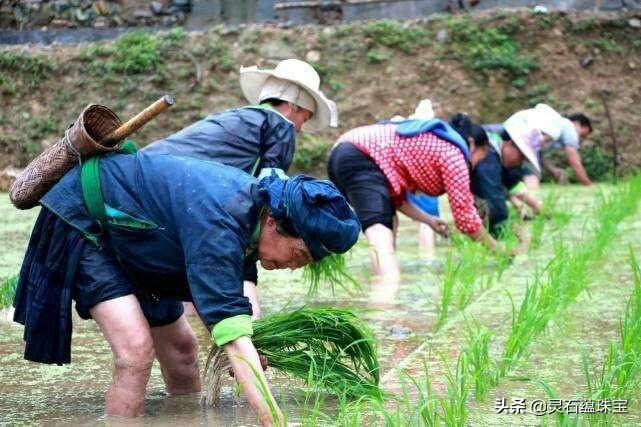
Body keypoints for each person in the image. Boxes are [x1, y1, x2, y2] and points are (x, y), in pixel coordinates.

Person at [13, 150, 360, 425]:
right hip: (88, 221)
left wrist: (247, 347)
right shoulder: (222, 223)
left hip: (145, 238)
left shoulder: (253, 221)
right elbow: (232, 335)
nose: (292, 267)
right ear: (274, 222)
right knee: (135, 351)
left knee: (182, 351)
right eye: (298, 255)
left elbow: (227, 307)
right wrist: (276, 421)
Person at [143, 58, 337, 317]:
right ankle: (249, 336)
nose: (301, 126)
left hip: (150, 180)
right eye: (306, 116)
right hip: (178, 190)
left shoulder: (240, 119)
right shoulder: (280, 126)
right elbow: (266, 199)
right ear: (292, 104)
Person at [327, 117, 497, 299]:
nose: (477, 164)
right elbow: (466, 219)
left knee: (388, 224)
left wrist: (429, 220)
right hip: (360, 156)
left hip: (344, 153)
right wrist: (497, 248)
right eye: (481, 156)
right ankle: (385, 305)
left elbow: (397, 200)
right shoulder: (455, 154)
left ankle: (383, 292)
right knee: (379, 232)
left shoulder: (437, 143)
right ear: (471, 144)